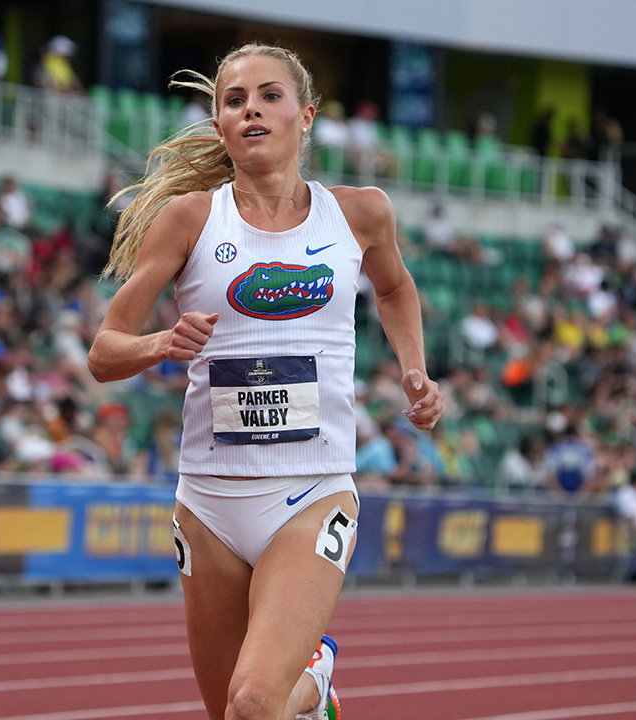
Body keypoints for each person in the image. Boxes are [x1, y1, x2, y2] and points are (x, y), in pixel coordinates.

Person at [87, 43, 441, 720]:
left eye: (269, 95)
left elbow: (395, 289)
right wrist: (161, 343)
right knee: (235, 714)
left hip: (312, 491)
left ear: (305, 116)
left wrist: (414, 368)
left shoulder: (360, 214)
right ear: (219, 125)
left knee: (253, 702)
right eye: (234, 100)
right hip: (209, 503)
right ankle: (310, 699)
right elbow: (104, 352)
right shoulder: (190, 218)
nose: (251, 109)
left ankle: (314, 678)